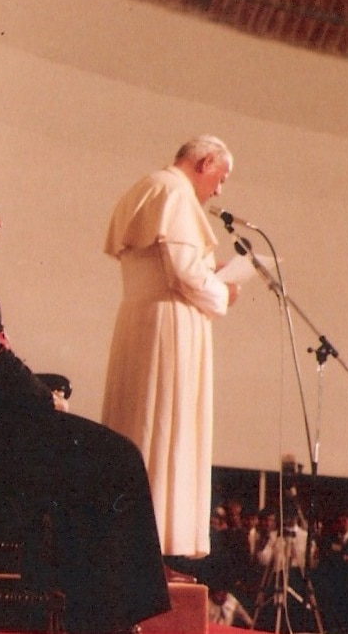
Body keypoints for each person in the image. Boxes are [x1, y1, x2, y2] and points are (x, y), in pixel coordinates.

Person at [0, 171, 170, 634]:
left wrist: (41, 391)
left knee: (100, 459)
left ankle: (90, 613)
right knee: (117, 458)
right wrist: (43, 399)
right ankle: (104, 619)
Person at [101, 135, 240, 558]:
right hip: (169, 324)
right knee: (164, 425)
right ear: (206, 161)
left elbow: (168, 264)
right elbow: (183, 274)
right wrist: (223, 292)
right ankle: (155, 545)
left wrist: (205, 271)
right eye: (221, 177)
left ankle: (136, 544)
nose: (219, 189)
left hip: (141, 319)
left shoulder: (148, 187)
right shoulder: (175, 191)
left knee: (144, 426)